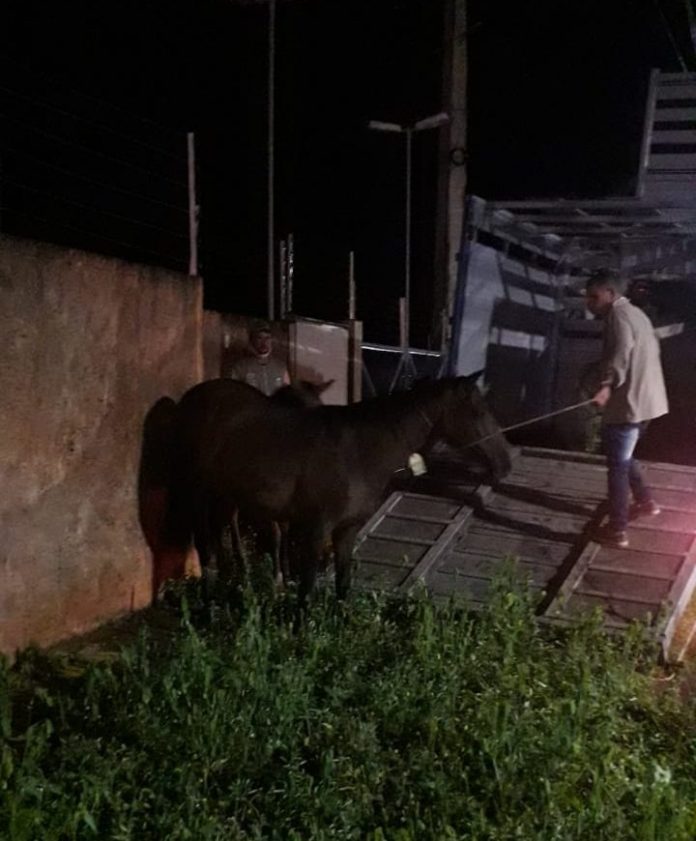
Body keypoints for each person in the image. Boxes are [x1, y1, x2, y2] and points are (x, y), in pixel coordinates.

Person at [585, 271, 669, 549]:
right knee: (624, 454)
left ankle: (618, 530)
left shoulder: (618, 316)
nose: (589, 303)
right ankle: (647, 503)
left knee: (617, 466)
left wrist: (607, 385)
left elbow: (621, 352)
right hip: (647, 401)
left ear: (610, 293)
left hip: (629, 403)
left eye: (594, 296)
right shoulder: (635, 313)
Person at [226, 320, 290, 396]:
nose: (264, 342)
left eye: (267, 338)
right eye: (259, 338)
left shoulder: (280, 367)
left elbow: (287, 394)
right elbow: (233, 394)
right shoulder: (240, 367)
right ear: (252, 340)